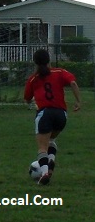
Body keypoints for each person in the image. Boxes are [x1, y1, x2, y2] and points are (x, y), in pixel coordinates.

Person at [24, 49, 82, 185]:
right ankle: (50, 164)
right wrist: (78, 101)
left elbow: (27, 98)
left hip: (45, 113)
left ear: (35, 62)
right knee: (51, 140)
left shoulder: (33, 78)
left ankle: (44, 174)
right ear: (49, 60)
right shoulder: (60, 72)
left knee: (42, 147)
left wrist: (33, 101)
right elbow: (73, 83)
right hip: (61, 114)